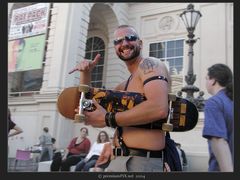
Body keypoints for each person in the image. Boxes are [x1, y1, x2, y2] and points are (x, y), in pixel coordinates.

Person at [70, 25, 171, 172]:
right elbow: (87, 107)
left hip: (141, 162)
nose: (124, 44)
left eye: (130, 38)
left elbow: (159, 108)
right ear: (115, 48)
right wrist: (86, 74)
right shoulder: (125, 85)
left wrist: (109, 119)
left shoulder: (150, 64)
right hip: (119, 160)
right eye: (118, 41)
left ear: (140, 44)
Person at [202, 63, 233, 172]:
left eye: (206, 78)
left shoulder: (214, 103)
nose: (206, 82)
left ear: (213, 80)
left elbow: (218, 140)